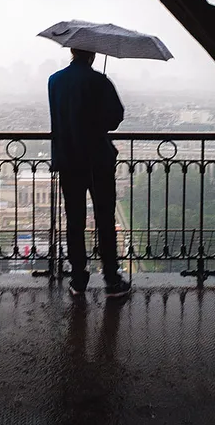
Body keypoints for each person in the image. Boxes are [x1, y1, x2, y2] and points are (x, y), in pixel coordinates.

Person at [48, 48, 131, 298]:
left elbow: (62, 117)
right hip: (97, 159)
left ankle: (78, 278)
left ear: (72, 51)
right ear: (93, 55)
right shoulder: (100, 81)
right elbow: (115, 119)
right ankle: (110, 278)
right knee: (105, 219)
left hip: (68, 158)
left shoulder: (54, 80)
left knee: (75, 221)